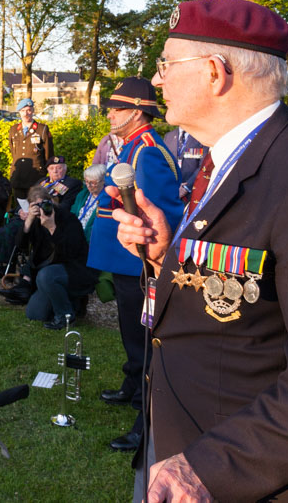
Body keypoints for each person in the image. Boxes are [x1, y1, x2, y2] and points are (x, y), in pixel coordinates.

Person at [112, 0, 288, 501]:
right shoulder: (221, 162)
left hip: (262, 475)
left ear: (215, 73)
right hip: (193, 441)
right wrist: (165, 258)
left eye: (165, 65)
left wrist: (209, 467)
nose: (156, 82)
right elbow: (243, 298)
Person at [86, 77, 183, 455]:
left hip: (138, 265)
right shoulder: (130, 147)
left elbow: (160, 217)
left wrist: (149, 262)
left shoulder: (147, 152)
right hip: (122, 262)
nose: (110, 113)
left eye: (118, 107)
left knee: (145, 342)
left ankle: (146, 421)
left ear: (139, 111)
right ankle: (131, 387)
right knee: (131, 335)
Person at [0, 155, 81, 284]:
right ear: (48, 170)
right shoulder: (42, 182)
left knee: (5, 232)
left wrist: (36, 212)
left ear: (65, 169)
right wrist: (19, 210)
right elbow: (28, 199)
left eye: (59, 168)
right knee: (4, 232)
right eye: (52, 168)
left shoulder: (72, 183)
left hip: (45, 221)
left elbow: (63, 207)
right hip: (26, 218)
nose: (56, 171)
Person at [15, 186, 96, 328]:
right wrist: (28, 221)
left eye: (45, 204)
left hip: (74, 270)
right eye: (36, 206)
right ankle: (70, 302)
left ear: (52, 201)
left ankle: (65, 316)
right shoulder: (36, 221)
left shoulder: (67, 218)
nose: (42, 209)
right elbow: (20, 245)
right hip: (48, 274)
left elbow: (70, 253)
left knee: (47, 275)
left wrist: (52, 228)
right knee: (35, 314)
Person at [8, 97, 54, 199]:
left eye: (29, 110)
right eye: (23, 111)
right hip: (18, 175)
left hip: (36, 176)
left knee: (35, 205)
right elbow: (13, 151)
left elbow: (49, 153)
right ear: (19, 112)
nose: (26, 113)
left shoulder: (42, 129)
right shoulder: (14, 129)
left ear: (33, 111)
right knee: (20, 207)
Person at [162, 127, 206, 202]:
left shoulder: (201, 135)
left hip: (192, 193)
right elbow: (163, 163)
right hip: (170, 193)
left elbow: (203, 165)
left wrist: (187, 187)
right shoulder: (168, 136)